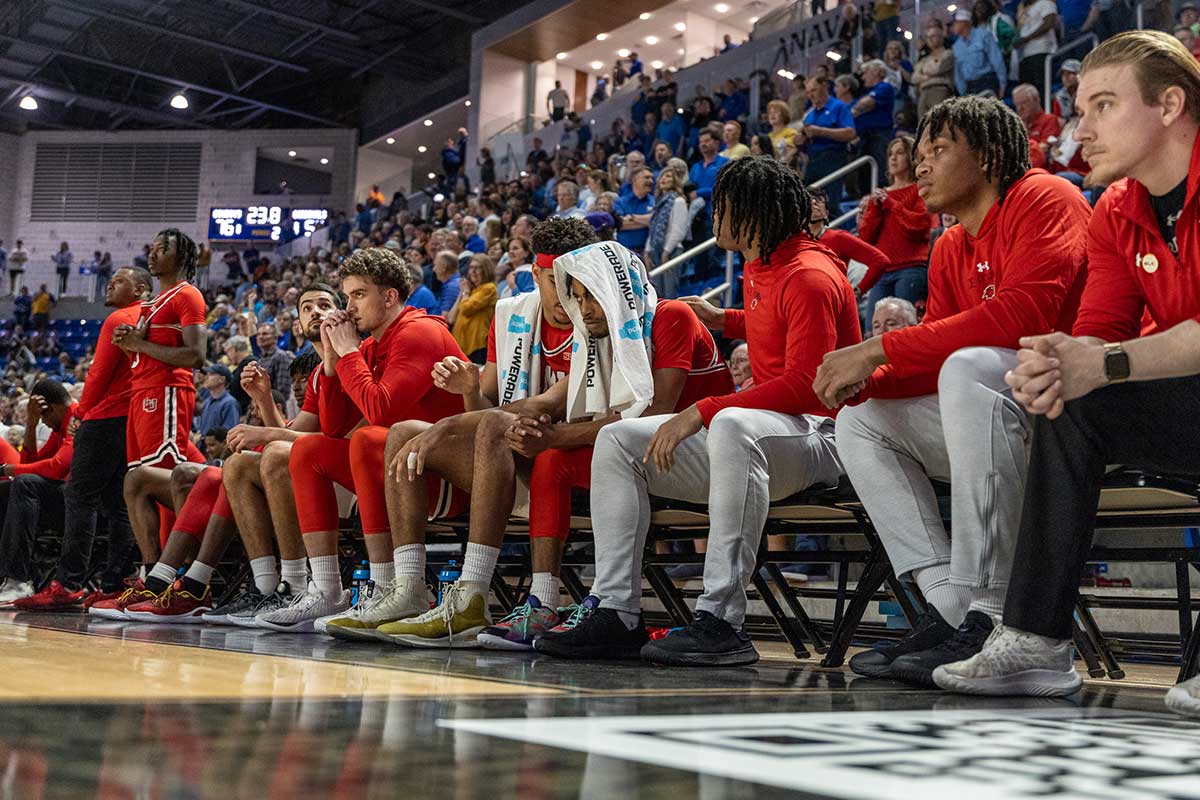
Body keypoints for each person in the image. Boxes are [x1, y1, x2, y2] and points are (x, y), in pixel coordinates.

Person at [930, 31, 1200, 717]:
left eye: (1104, 105)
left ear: (1170, 104)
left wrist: (1101, 361)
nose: (1082, 129)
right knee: (1069, 403)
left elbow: (1113, 353)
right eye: (1080, 108)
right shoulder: (1116, 208)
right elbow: (1101, 333)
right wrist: (1055, 365)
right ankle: (1035, 639)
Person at [535, 157, 860, 666]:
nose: (712, 216)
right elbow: (774, 323)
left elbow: (806, 385)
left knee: (729, 421)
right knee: (618, 440)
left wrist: (701, 411)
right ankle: (616, 609)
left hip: (822, 434)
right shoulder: (762, 265)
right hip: (765, 438)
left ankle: (721, 620)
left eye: (722, 207)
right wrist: (725, 318)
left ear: (752, 213)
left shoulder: (811, 275)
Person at [812, 95, 1091, 687]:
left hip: (1072, 416)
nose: (920, 167)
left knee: (966, 367)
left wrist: (876, 348)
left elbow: (1026, 315)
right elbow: (929, 357)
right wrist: (867, 380)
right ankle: (952, 606)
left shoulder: (1046, 197)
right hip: (1002, 417)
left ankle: (995, 613)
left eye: (938, 150)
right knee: (863, 419)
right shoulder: (949, 247)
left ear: (989, 156)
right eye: (918, 154)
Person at [384, 238, 734, 650]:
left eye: (593, 296)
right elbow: (546, 402)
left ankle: (487, 592)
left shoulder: (670, 315)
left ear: (618, 290)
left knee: (560, 452)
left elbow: (653, 415)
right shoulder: (600, 334)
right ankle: (536, 602)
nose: (583, 309)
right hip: (635, 456)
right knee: (528, 450)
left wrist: (554, 435)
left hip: (699, 453)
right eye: (577, 296)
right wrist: (448, 424)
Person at [328, 220, 595, 644]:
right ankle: (409, 587)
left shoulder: (597, 315)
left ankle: (471, 592)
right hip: (510, 458)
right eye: (555, 281)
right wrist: (470, 390)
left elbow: (538, 407)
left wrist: (450, 423)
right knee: (403, 432)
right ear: (536, 276)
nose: (566, 293)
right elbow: (486, 408)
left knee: (471, 427)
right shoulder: (509, 316)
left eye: (576, 282)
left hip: (573, 456)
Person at [255, 248, 467, 632]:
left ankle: (391, 585)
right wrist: (335, 363)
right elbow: (333, 428)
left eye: (358, 295)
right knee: (307, 449)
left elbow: (381, 411)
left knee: (370, 439)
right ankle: (327, 590)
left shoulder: (419, 332)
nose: (348, 307)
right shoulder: (371, 345)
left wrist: (349, 352)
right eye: (347, 295)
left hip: (450, 476)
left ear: (389, 297)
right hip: (405, 473)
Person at [13, 271, 152, 608]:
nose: (109, 284)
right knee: (119, 503)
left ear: (140, 289)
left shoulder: (119, 318)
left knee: (80, 496)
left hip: (104, 416)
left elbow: (99, 372)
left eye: (118, 281)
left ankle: (68, 583)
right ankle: (114, 582)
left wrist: (82, 411)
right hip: (133, 418)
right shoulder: (150, 318)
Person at [203, 286, 341, 625]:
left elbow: (321, 438)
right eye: (306, 307)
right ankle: (268, 586)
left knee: (277, 454)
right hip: (321, 466)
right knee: (236, 464)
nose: (315, 312)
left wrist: (266, 432)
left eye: (325, 304)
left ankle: (295, 581)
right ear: (297, 321)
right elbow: (302, 430)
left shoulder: (354, 356)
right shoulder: (317, 376)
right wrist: (263, 399)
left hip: (349, 471)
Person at [88, 229, 207, 618]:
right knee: (140, 484)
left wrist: (138, 345)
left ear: (183, 257)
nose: (153, 253)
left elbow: (196, 355)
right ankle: (152, 577)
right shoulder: (154, 302)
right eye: (152, 248)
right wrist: (132, 343)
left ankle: (174, 578)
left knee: (167, 482)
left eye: (163, 249)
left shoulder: (187, 295)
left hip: (168, 394)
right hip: (144, 396)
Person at [0, 380, 77, 605]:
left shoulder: (77, 419)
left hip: (89, 505)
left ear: (50, 408)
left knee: (24, 483)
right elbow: (33, 462)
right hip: (68, 498)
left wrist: (10, 469)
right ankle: (6, 577)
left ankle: (18, 580)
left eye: (42, 417)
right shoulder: (59, 426)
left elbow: (56, 468)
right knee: (7, 488)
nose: (44, 422)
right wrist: (31, 425)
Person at [857, 135, 933, 314]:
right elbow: (866, 238)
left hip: (910, 269)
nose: (893, 158)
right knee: (872, 330)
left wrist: (891, 204)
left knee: (905, 326)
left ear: (910, 156)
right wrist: (874, 209)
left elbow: (919, 227)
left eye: (899, 153)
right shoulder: (879, 196)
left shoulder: (919, 189)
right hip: (882, 272)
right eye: (890, 154)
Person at [802, 76, 856, 212]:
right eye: (808, 92)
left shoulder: (838, 107)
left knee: (830, 202)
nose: (810, 95)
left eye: (813, 90)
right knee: (806, 199)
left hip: (833, 157)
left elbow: (850, 133)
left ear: (825, 87)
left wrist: (820, 131)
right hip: (813, 159)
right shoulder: (810, 114)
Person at [645, 167, 690, 298]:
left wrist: (666, 252)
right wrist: (648, 251)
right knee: (657, 294)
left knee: (670, 293)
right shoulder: (658, 203)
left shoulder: (679, 201)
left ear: (675, 181)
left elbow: (679, 231)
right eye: (662, 176)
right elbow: (652, 229)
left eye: (669, 176)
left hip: (672, 251)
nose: (664, 179)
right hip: (655, 251)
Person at [448, 253, 498, 362]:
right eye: (471, 267)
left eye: (477, 268)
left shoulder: (489, 289)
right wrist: (462, 292)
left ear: (486, 270)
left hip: (477, 346)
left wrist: (465, 292)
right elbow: (451, 318)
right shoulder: (471, 291)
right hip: (462, 346)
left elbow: (466, 309)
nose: (473, 271)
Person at [852, 60, 897, 180]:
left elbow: (865, 104)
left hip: (879, 136)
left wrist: (856, 110)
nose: (862, 77)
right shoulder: (867, 93)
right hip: (865, 137)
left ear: (877, 72)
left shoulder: (885, 87)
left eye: (865, 72)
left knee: (880, 172)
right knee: (865, 175)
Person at [952, 8, 1008, 97]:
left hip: (987, 82)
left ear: (964, 22)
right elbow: (958, 73)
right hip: (969, 87)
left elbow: (997, 60)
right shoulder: (956, 46)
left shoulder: (983, 35)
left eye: (955, 23)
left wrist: (1002, 84)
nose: (953, 27)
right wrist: (963, 93)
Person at [913, 19, 956, 121]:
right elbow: (914, 78)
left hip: (940, 90)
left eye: (934, 36)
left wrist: (923, 72)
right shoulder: (924, 58)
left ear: (941, 37)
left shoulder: (948, 54)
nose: (931, 40)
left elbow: (937, 69)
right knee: (923, 127)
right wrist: (928, 74)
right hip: (923, 93)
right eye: (929, 37)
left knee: (939, 124)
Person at [1012, 84, 1063, 167]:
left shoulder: (1049, 120)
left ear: (1036, 100)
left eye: (1024, 103)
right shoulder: (1016, 125)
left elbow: (1043, 148)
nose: (1020, 108)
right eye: (1017, 104)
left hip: (1039, 169)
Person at [1015, 0, 1060, 89]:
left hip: (1041, 50)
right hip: (1025, 55)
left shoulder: (1045, 3)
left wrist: (1027, 38)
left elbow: (1049, 23)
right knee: (1028, 90)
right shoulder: (1024, 10)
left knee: (1041, 88)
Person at [193, 365, 241, 447]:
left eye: (211, 374)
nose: (206, 377)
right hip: (204, 449)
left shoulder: (229, 403)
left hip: (217, 452)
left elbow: (229, 432)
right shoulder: (207, 401)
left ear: (222, 379)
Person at [614, 167, 655, 256]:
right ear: (634, 180)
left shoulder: (655, 201)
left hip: (647, 253)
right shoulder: (621, 201)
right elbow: (619, 225)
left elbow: (655, 221)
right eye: (647, 177)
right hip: (624, 252)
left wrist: (632, 218)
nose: (651, 181)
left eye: (652, 178)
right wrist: (646, 222)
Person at [254, 321, 295, 402]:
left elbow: (283, 391)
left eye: (265, 334)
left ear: (275, 338)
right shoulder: (261, 359)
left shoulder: (280, 356)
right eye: (258, 334)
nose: (260, 337)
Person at [432, 250, 461, 314]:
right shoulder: (453, 283)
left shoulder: (452, 287)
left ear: (444, 267)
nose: (433, 269)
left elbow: (444, 317)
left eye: (435, 265)